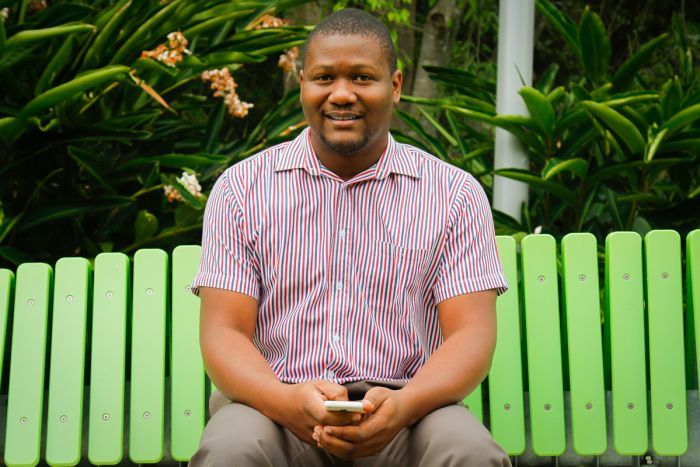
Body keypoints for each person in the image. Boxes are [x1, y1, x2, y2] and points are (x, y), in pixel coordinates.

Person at [189, 7, 511, 467]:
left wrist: (405, 406)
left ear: (395, 86)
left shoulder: (453, 195)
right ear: (302, 82)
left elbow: (471, 333)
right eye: (324, 78)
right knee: (231, 448)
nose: (342, 94)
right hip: (274, 408)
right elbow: (224, 331)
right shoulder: (242, 190)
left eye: (362, 77)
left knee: (469, 451)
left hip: (408, 412)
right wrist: (285, 403)